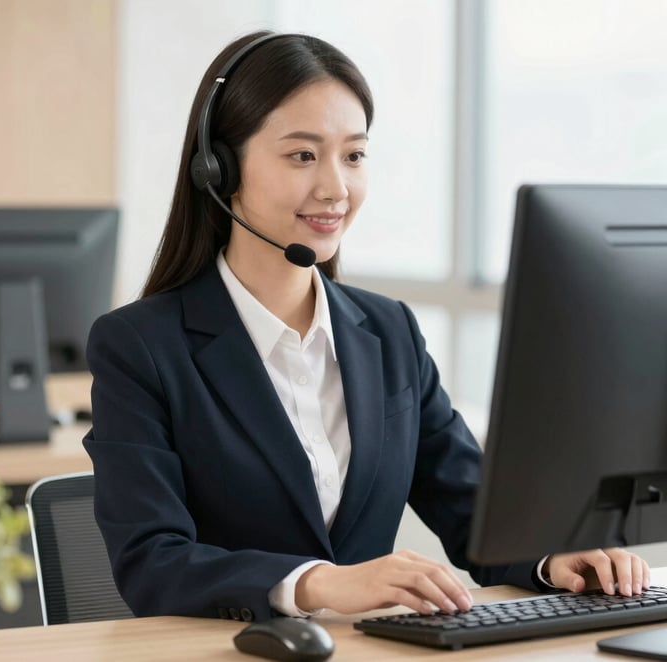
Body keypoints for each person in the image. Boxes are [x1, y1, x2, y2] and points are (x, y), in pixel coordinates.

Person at [83, 31, 649, 621]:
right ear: (219, 169)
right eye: (303, 155)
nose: (336, 189)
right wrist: (318, 585)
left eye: (353, 155)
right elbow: (152, 562)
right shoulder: (140, 347)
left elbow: (468, 507)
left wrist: (552, 556)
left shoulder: (389, 330)